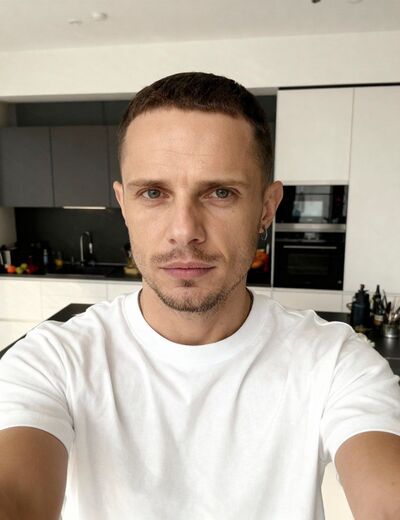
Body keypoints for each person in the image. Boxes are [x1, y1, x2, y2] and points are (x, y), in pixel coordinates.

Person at [0, 72, 399, 520]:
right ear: (124, 204)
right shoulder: (52, 361)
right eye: (153, 193)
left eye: (220, 193)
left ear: (267, 207)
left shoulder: (335, 362)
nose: (184, 230)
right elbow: (16, 494)